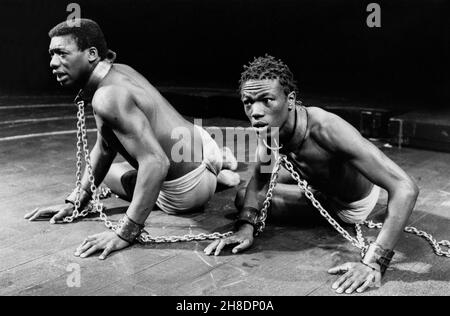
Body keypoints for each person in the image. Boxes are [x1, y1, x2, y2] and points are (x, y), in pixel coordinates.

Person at [24, 19, 240, 260]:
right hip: (202, 143)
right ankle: (219, 165)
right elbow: (106, 146)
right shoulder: (120, 69)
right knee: (125, 155)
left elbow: (156, 162)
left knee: (112, 173)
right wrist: (77, 201)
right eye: (52, 54)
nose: (53, 63)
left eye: (62, 53)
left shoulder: (106, 96)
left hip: (189, 193)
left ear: (92, 54)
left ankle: (216, 176)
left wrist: (125, 232)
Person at [204, 55, 419, 294]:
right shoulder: (269, 128)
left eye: (266, 100)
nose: (255, 112)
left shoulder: (327, 129)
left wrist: (374, 262)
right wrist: (245, 227)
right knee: (244, 195)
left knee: (246, 196)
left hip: (350, 205)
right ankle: (222, 163)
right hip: (316, 179)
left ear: (291, 100)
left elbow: (405, 187)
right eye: (248, 102)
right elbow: (260, 180)